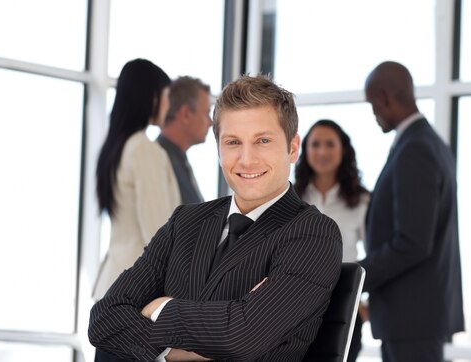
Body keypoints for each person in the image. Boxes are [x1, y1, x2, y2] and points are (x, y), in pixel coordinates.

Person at [89, 74, 342, 361]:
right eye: (233, 142)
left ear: (293, 148)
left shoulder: (313, 234)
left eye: (263, 141)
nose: (246, 159)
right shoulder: (186, 222)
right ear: (219, 148)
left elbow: (242, 337)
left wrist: (159, 308)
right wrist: (181, 350)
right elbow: (104, 316)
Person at [359, 61, 464, 362]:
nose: (373, 114)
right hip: (417, 318)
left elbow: (412, 242)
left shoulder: (415, 149)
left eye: (371, 105)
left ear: (384, 97)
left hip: (411, 319)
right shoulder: (428, 143)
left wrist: (354, 277)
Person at [93, 58, 181, 303]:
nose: (168, 104)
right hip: (137, 290)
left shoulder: (116, 148)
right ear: (151, 97)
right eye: (166, 95)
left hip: (112, 279)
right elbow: (158, 232)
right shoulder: (144, 150)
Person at [294, 119, 370, 362]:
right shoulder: (291, 199)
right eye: (315, 145)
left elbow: (376, 256)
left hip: (345, 307)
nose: (322, 152)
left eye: (330, 144)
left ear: (343, 150)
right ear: (305, 151)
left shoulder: (362, 201)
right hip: (296, 309)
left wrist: (363, 300)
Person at [157, 76, 213, 204]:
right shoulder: (159, 160)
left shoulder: (178, 160)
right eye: (206, 113)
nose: (211, 122)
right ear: (186, 114)